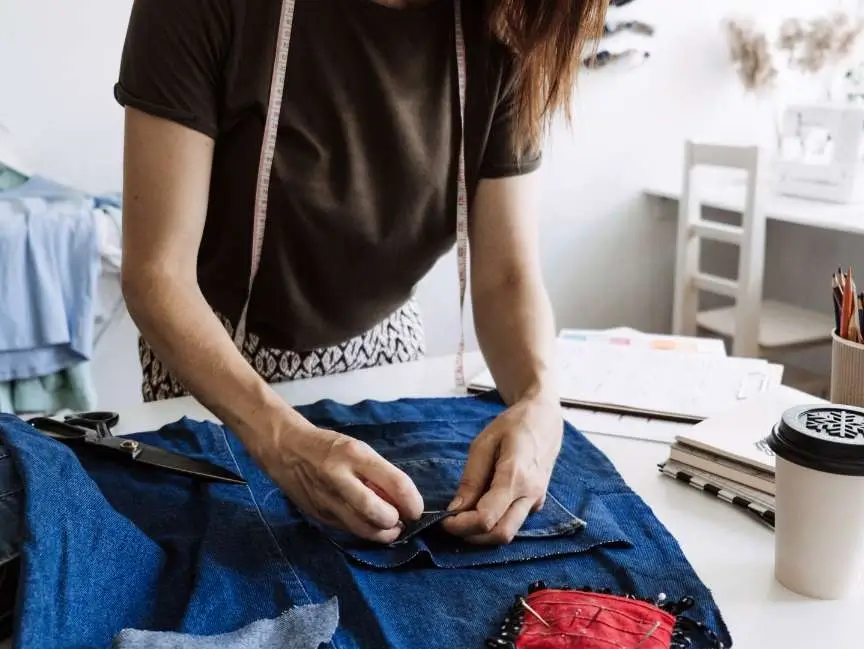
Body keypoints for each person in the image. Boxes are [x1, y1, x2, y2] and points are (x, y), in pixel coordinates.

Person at [116, 0, 606, 545]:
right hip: (212, 363)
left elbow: (507, 275)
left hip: (384, 350)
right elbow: (158, 273)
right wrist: (280, 439)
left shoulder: (512, 22)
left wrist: (539, 402)